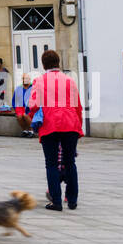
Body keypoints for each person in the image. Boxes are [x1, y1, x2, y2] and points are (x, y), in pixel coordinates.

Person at [26, 50, 83, 210]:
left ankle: (56, 201)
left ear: (43, 64)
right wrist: (79, 126)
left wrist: (33, 118)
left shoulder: (40, 81)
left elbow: (33, 104)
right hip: (70, 123)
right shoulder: (70, 81)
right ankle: (72, 200)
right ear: (58, 63)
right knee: (70, 162)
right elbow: (77, 104)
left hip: (50, 124)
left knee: (51, 164)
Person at [12, 72, 36, 137]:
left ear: (29, 79)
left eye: (27, 79)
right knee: (19, 116)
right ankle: (25, 130)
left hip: (30, 107)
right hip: (20, 107)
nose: (25, 80)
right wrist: (15, 107)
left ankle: (31, 130)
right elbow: (14, 100)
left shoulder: (33, 87)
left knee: (25, 115)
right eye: (24, 78)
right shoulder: (18, 88)